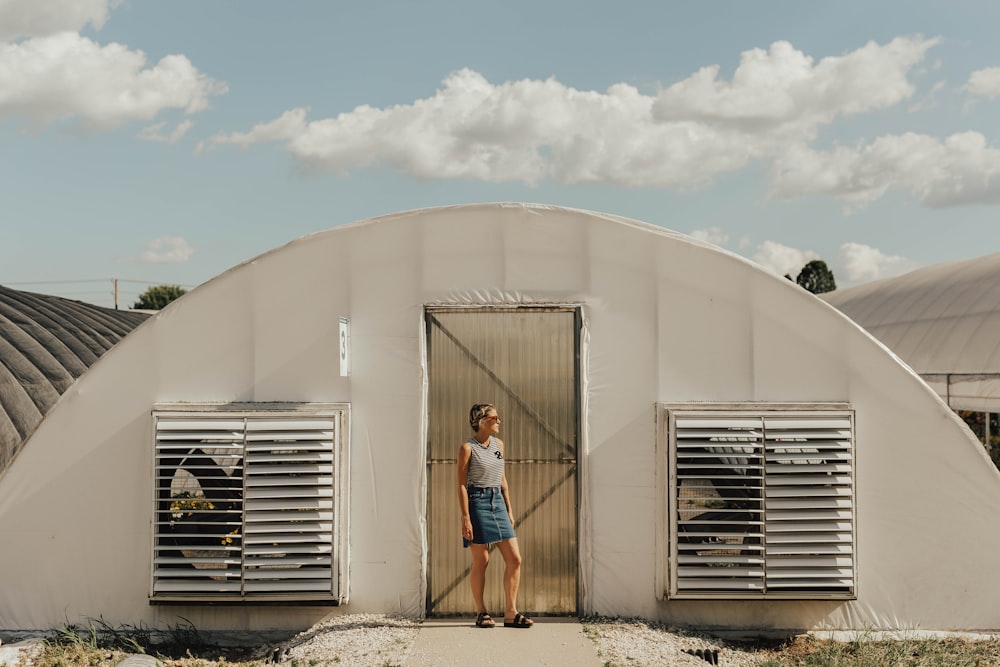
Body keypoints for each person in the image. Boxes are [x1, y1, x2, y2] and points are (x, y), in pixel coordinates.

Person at [457, 403, 534, 629]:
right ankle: (481, 612)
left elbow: (502, 478)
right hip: (477, 502)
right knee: (482, 560)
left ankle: (510, 612)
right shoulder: (467, 448)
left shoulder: (499, 445)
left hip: (497, 502)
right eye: (494, 417)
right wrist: (465, 518)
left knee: (515, 559)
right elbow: (461, 485)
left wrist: (509, 509)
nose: (499, 421)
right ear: (482, 421)